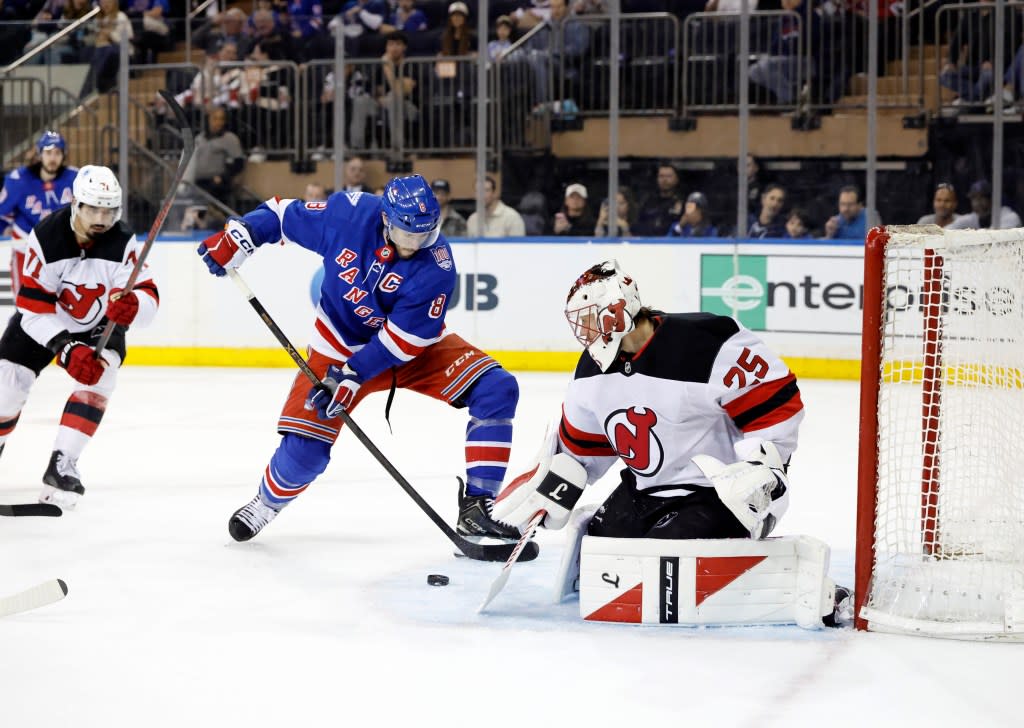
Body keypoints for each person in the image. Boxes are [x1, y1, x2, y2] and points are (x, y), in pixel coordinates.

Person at [196, 174, 525, 554]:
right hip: (336, 343)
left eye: (425, 234)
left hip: (408, 351)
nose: (416, 243)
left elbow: (404, 341)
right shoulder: (349, 216)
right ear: (386, 219)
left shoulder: (437, 265)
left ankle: (476, 507)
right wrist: (241, 237)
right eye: (407, 234)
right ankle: (266, 503)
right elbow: (282, 215)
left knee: (496, 389)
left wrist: (353, 375)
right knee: (305, 453)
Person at [493, 259, 803, 545]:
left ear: (614, 312)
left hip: (711, 492)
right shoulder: (589, 371)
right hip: (642, 491)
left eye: (588, 320)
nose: (583, 332)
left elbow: (775, 403)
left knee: (662, 559)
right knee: (600, 547)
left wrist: (763, 468)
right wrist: (555, 487)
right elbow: (582, 446)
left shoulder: (706, 341)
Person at [0, 166, 158, 508]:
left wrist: (132, 305)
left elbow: (148, 298)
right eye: (93, 209)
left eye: (109, 210)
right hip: (43, 320)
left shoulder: (123, 240)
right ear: (76, 204)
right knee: (6, 386)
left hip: (96, 324)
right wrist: (65, 348)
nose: (102, 218)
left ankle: (62, 463)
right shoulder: (46, 236)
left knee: (103, 372)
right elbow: (33, 308)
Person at [0, 131, 78, 294]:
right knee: (23, 305)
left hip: (62, 252)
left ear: (63, 155)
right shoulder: (19, 180)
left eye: (57, 153)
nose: (53, 158)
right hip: (26, 251)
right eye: (48, 153)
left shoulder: (75, 179)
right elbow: (3, 213)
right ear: (40, 154)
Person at [948, 180, 1023, 230]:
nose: (977, 203)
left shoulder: (1009, 216)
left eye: (981, 198)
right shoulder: (975, 217)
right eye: (974, 199)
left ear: (991, 199)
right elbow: (948, 230)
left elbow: (995, 239)